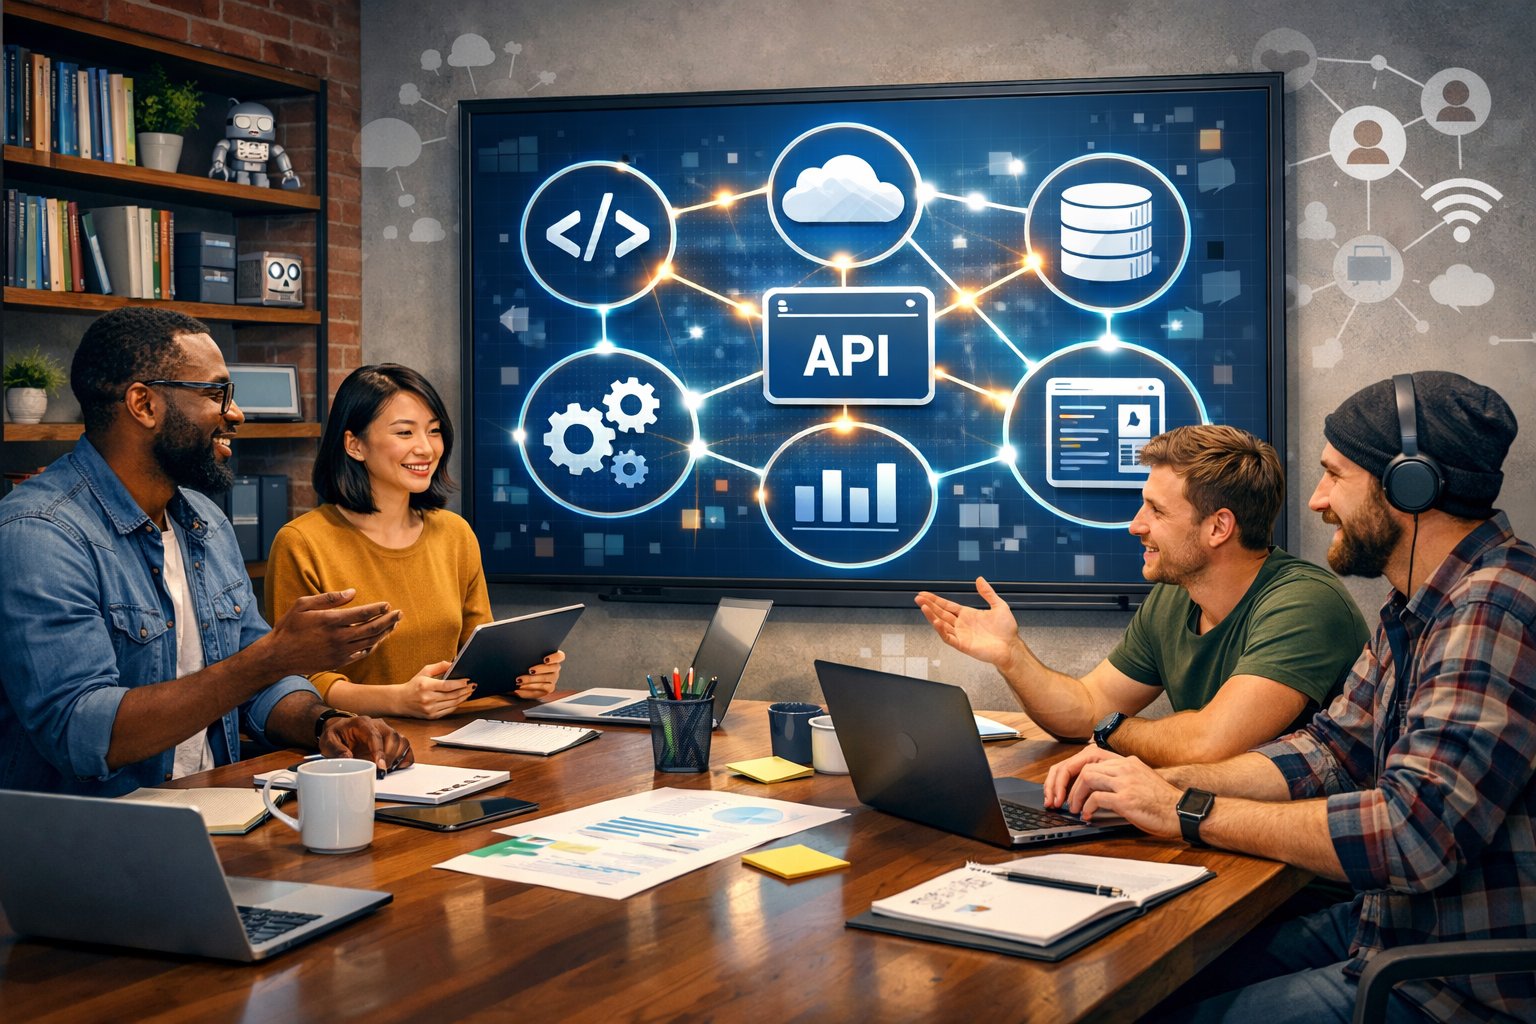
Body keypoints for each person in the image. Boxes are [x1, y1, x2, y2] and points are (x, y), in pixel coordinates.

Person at [1063, 372, 1534, 1023]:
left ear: (1410, 485)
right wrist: (1158, 784)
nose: (1316, 500)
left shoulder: (1495, 606)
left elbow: (1412, 835)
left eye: (1335, 475)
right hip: (1390, 925)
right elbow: (1330, 749)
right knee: (1150, 978)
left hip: (1454, 979)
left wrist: (1188, 811)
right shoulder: (1417, 608)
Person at [0, 307, 412, 796]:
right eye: (217, 393)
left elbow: (257, 681)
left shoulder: (204, 521)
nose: (235, 413)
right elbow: (80, 732)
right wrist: (271, 657)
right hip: (92, 841)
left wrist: (325, 724)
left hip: (218, 812)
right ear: (144, 404)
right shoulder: (40, 534)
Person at [915, 424, 1369, 784]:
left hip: (1294, 877)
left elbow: (1210, 742)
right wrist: (1011, 657)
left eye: (1157, 510)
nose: (1136, 526)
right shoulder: (1174, 596)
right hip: (1202, 832)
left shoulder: (1305, 603)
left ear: (1218, 528)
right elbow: (1086, 706)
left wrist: (1112, 729)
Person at [263, 364, 563, 719]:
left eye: (434, 431)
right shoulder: (301, 543)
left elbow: (477, 653)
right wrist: (398, 700)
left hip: (456, 739)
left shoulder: (455, 534)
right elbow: (297, 681)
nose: (425, 448)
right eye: (405, 433)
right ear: (355, 444)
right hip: (357, 751)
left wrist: (523, 675)